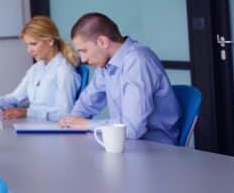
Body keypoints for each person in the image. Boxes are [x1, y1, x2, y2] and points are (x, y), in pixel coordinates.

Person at [58, 12, 180, 144]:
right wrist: (71, 121)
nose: (83, 59)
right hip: (126, 144)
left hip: (155, 149)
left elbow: (132, 130)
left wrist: (86, 124)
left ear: (102, 42)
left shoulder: (137, 62)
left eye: (84, 51)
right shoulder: (106, 64)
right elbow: (87, 102)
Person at [0, 16, 79, 121]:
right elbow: (16, 97)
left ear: (50, 41)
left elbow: (64, 113)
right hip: (34, 124)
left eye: (33, 44)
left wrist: (27, 112)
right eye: (27, 45)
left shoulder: (64, 70)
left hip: (51, 131)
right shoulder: (36, 68)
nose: (29, 51)